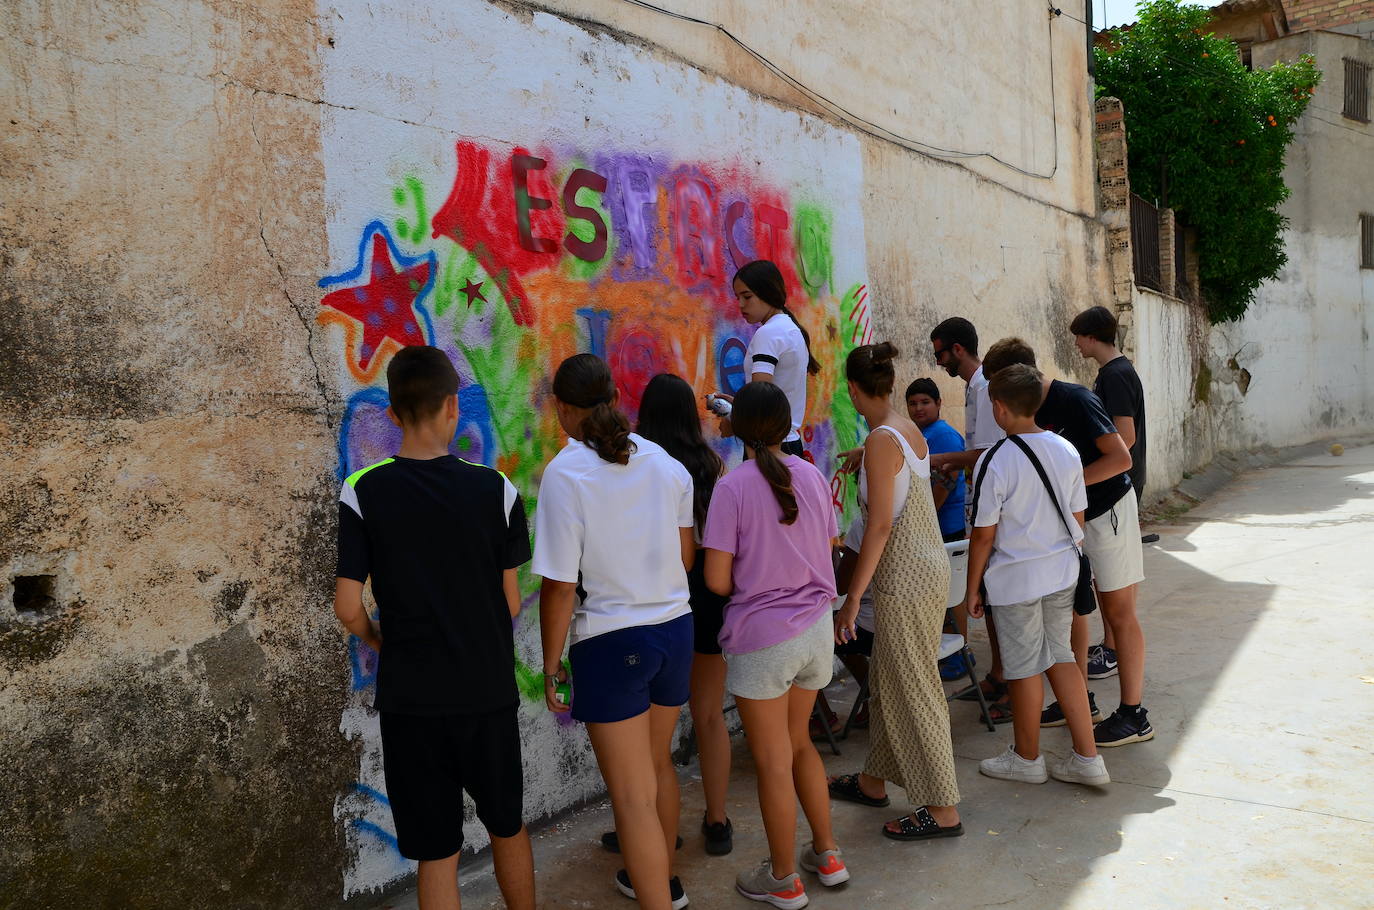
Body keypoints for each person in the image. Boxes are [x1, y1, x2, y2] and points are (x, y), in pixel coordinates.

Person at [333, 345, 535, 910]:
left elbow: (348, 605)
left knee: (435, 851)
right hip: (486, 693)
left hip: (412, 702)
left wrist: (377, 638)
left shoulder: (362, 491)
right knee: (507, 827)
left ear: (393, 414)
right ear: (452, 406)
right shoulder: (497, 490)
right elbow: (511, 603)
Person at [534, 354, 696, 910]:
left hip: (612, 638)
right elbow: (685, 554)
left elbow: (557, 588)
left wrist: (551, 666)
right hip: (674, 629)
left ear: (563, 408)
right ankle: (660, 879)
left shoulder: (565, 473)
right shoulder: (662, 460)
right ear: (614, 398)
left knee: (630, 797)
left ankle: (656, 894)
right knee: (656, 769)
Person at [702, 381, 849, 907]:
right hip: (815, 632)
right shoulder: (810, 474)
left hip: (764, 638)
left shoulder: (733, 487)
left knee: (771, 760)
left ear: (734, 427)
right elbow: (830, 544)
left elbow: (718, 582)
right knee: (800, 745)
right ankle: (827, 854)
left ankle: (784, 876)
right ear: (787, 426)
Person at [981, 338, 1153, 748]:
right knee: (1076, 612)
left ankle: (1133, 714)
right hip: (1071, 523)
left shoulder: (1075, 399)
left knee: (1119, 611)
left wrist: (1065, 487)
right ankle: (1079, 701)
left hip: (1107, 512)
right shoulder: (1030, 413)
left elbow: (1120, 457)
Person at [827, 343, 962, 843]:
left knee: (914, 688)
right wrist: (866, 455)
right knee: (888, 682)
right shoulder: (904, 430)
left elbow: (880, 524)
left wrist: (853, 596)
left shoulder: (885, 440)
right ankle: (872, 781)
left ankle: (943, 807)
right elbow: (896, 464)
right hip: (926, 570)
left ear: (853, 389)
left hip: (904, 577)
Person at [962, 363, 1110, 788]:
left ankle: (1027, 758)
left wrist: (973, 589)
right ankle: (1088, 758)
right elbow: (1077, 515)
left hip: (1016, 582)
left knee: (1024, 667)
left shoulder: (994, 459)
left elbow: (984, 535)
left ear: (999, 408)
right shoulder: (1065, 449)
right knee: (1061, 657)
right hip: (1061, 572)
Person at [636, 373, 734, 856]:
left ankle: (653, 825)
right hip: (708, 593)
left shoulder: (639, 466)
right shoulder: (708, 465)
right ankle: (717, 820)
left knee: (654, 731)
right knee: (710, 715)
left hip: (659, 595)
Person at [923, 318, 1010, 718]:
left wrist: (942, 459)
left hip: (997, 508)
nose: (939, 362)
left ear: (957, 350)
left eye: (940, 353)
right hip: (982, 503)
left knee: (1001, 601)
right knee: (990, 600)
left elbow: (989, 453)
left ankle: (1010, 683)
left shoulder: (986, 387)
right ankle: (998, 673)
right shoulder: (975, 388)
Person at [1071, 305, 1147, 681]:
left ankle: (1114, 650)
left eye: (1078, 337)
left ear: (1091, 336)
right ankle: (1111, 643)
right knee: (1116, 578)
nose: (1076, 344)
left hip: (1114, 493)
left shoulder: (1115, 375)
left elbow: (1125, 439)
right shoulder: (1116, 371)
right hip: (1120, 488)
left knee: (1113, 579)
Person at [711, 260, 821, 457]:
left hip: (768, 448)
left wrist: (733, 421)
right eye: (738, 298)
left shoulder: (768, 333)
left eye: (747, 296)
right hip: (789, 443)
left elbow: (760, 400)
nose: (741, 305)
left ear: (768, 292)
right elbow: (773, 392)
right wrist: (739, 404)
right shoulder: (789, 329)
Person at [906, 378, 967, 543]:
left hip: (944, 526)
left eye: (925, 402)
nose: (918, 408)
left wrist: (922, 523)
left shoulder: (943, 435)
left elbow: (945, 484)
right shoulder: (921, 434)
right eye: (912, 403)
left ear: (938, 403)